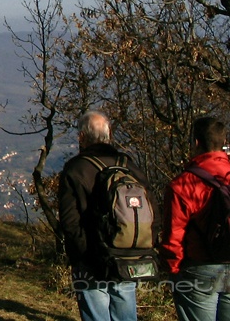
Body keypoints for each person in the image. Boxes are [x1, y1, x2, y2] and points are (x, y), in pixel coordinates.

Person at [57, 110, 159, 321]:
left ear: (81, 137)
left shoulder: (76, 169)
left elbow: (70, 221)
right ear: (109, 135)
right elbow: (153, 210)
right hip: (126, 255)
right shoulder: (129, 166)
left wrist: (81, 254)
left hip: (91, 259)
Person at [160, 115, 230, 321]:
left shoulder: (183, 184)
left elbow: (174, 234)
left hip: (199, 267)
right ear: (223, 141)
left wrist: (173, 269)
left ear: (197, 142)